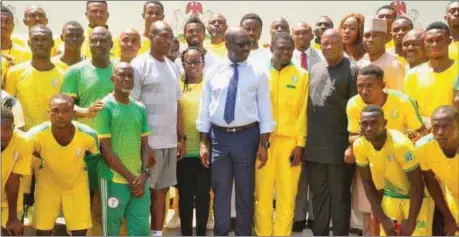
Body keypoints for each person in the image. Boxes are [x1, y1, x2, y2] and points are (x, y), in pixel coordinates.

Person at [197, 26, 275, 236]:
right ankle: (221, 233)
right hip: (219, 138)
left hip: (247, 138)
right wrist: (203, 143)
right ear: (228, 45)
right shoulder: (213, 71)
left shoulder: (258, 73)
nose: (247, 48)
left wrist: (263, 144)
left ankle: (243, 233)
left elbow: (265, 111)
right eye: (242, 44)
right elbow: (204, 109)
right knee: (220, 192)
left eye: (249, 43)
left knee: (245, 193)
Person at [346, 64, 427, 235]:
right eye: (360, 86)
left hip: (406, 163)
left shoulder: (403, 102)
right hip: (379, 167)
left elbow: (421, 133)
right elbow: (352, 137)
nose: (363, 91)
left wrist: (406, 142)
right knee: (382, 218)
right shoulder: (354, 104)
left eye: (369, 86)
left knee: (413, 225)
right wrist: (364, 138)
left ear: (382, 85)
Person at [130, 21, 184, 237]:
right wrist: (145, 145)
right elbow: (132, 108)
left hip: (169, 142)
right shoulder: (139, 65)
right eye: (162, 35)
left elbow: (177, 105)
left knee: (162, 191)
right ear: (150, 37)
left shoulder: (172, 67)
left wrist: (180, 137)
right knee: (144, 193)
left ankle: (157, 234)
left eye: (170, 36)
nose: (167, 40)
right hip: (149, 144)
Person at [60, 26, 114, 236]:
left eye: (103, 41)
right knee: (84, 199)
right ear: (88, 43)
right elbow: (65, 105)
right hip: (85, 147)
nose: (98, 45)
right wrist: (86, 112)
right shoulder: (75, 71)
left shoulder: (120, 70)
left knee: (109, 199)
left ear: (111, 44)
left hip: (114, 147)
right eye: (94, 41)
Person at [254, 32, 308, 236]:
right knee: (263, 196)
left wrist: (300, 143)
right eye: (281, 48)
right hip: (263, 143)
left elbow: (303, 111)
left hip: (290, 143)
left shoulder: (302, 75)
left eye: (289, 49)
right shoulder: (259, 73)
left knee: (287, 197)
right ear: (272, 49)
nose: (285, 52)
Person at [305, 29, 358, 236]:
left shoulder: (352, 70)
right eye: (324, 43)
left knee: (340, 199)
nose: (328, 47)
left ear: (342, 44)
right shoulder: (315, 68)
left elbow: (356, 110)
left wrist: (351, 145)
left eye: (333, 43)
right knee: (318, 198)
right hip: (314, 149)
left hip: (339, 150)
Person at [354, 105, 432, 236]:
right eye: (365, 124)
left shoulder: (400, 145)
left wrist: (411, 220)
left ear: (384, 123)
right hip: (391, 196)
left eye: (374, 123)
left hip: (417, 199)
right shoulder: (360, 145)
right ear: (359, 125)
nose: (369, 128)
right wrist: (383, 219)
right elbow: (367, 184)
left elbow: (417, 185)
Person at [93, 62, 151, 236]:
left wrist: (144, 173)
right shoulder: (104, 107)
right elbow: (105, 150)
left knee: (140, 228)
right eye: (122, 75)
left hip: (139, 181)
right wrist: (131, 178)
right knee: (111, 228)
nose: (126, 79)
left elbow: (145, 144)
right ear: (113, 79)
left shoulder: (139, 107)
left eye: (130, 76)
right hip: (114, 180)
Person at [28, 94, 99, 236]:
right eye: (55, 110)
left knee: (79, 232)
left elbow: (93, 160)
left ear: (73, 113)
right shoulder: (35, 135)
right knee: (42, 232)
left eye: (66, 111)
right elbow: (31, 158)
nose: (60, 115)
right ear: (48, 113)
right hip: (47, 186)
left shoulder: (88, 135)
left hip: (76, 186)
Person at [290, 21, 322, 232]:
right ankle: (298, 217)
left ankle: (315, 217)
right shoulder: (285, 56)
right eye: (297, 33)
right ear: (292, 35)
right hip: (294, 124)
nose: (301, 36)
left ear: (312, 35)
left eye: (305, 33)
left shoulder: (321, 57)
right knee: (298, 176)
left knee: (316, 176)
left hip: (318, 122)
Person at [176, 47, 211, 236]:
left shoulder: (210, 85)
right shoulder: (178, 86)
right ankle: (186, 232)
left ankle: (202, 233)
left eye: (197, 61)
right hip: (184, 149)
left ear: (203, 64)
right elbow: (175, 113)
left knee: (204, 196)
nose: (193, 65)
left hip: (205, 150)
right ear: (183, 65)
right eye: (188, 62)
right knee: (186, 196)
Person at [404, 22, 458, 129]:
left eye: (439, 40)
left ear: (449, 41)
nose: (434, 44)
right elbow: (408, 109)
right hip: (424, 133)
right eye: (430, 41)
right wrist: (428, 123)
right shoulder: (412, 75)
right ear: (424, 43)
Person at [416, 105, 459, 236]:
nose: (439, 132)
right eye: (435, 126)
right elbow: (431, 182)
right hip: (453, 197)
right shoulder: (423, 148)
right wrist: (449, 218)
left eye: (446, 126)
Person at [1, 106, 31, 236]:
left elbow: (13, 179)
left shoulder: (24, 142)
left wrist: (12, 217)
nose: (1, 134)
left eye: (7, 129)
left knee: (12, 230)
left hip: (9, 198)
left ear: (13, 127)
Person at [360, 17, 405, 91]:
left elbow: (399, 96)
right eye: (367, 36)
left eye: (375, 36)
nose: (370, 39)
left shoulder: (394, 65)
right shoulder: (362, 62)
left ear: (385, 38)